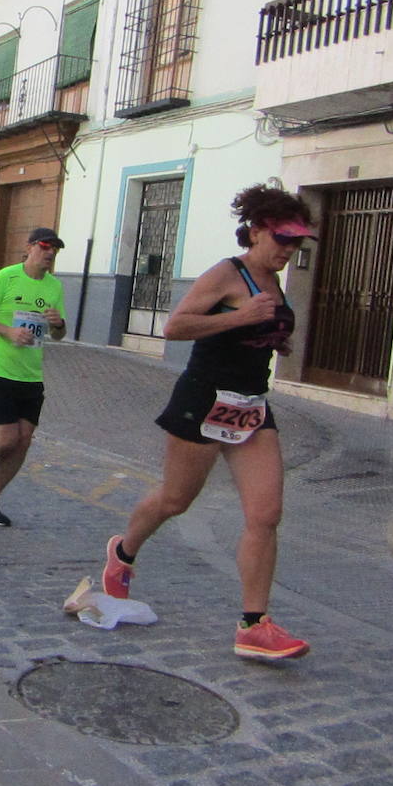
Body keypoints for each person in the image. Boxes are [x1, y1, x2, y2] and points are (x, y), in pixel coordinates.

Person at [101, 183, 315, 662]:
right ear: (256, 231)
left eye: (295, 243)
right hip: (204, 401)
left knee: (266, 514)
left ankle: (254, 625)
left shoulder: (276, 282)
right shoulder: (226, 273)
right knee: (176, 499)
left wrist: (271, 338)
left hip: (252, 407)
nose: (288, 251)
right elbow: (176, 327)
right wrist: (239, 320)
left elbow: (257, 329)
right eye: (281, 239)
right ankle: (124, 550)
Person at [0, 228, 68, 527]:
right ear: (30, 247)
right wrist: (8, 332)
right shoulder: (6, 277)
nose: (49, 253)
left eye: (55, 250)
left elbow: (59, 334)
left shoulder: (54, 287)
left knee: (24, 441)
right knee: (7, 438)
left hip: (31, 374)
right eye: (45, 247)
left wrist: (58, 325)